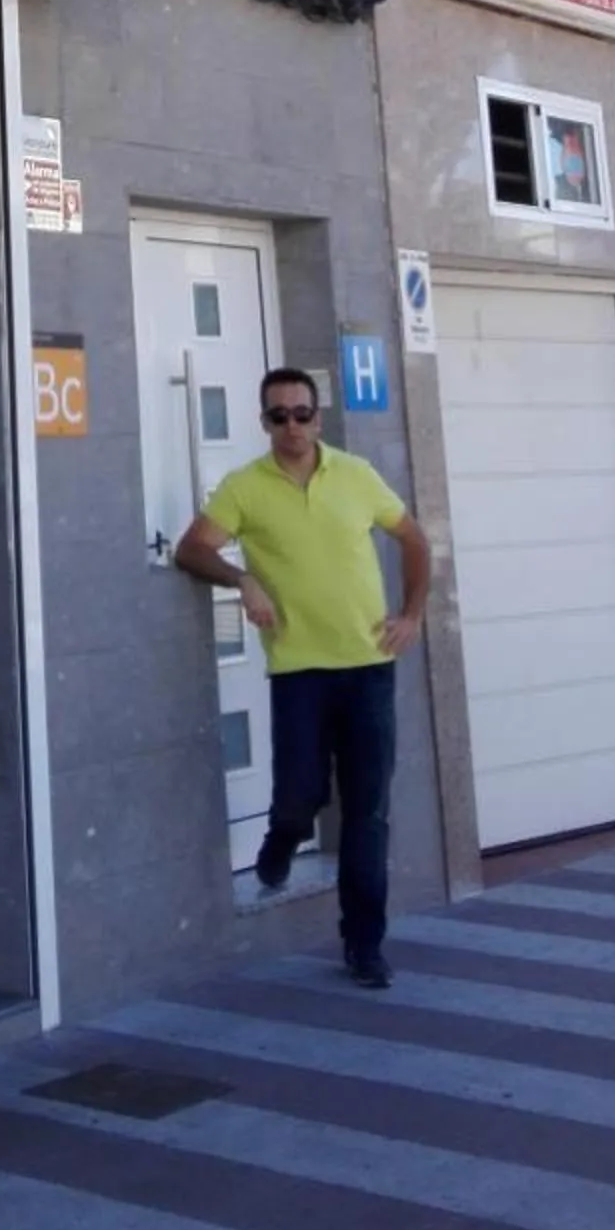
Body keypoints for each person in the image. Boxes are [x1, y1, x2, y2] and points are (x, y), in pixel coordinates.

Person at [174, 366, 430, 990]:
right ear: (264, 423)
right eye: (278, 415)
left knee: (367, 813)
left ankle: (364, 946)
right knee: (301, 795)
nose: (292, 425)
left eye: (301, 412)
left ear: (318, 417)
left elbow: (415, 540)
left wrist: (413, 614)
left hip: (369, 668)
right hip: (299, 672)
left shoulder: (356, 474)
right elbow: (191, 548)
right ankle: (280, 844)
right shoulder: (244, 487)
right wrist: (241, 578)